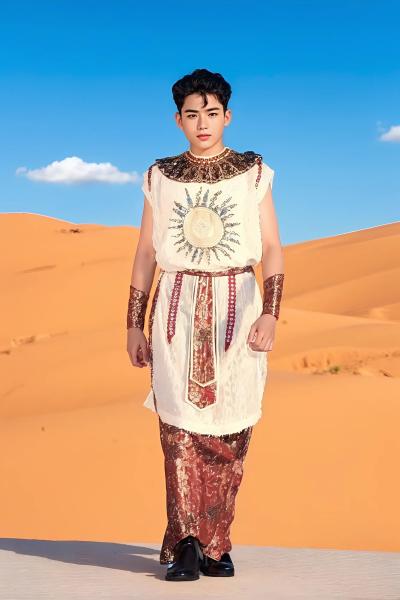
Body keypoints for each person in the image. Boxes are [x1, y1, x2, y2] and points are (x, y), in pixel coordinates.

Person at [126, 68, 285, 582]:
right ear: (177, 119)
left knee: (232, 428)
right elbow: (146, 252)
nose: (202, 123)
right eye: (191, 114)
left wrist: (271, 312)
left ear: (227, 116)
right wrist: (133, 323)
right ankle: (186, 545)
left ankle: (218, 542)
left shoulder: (253, 171)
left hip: (239, 306)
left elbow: (272, 247)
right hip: (176, 306)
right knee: (177, 430)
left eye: (211, 113)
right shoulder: (160, 175)